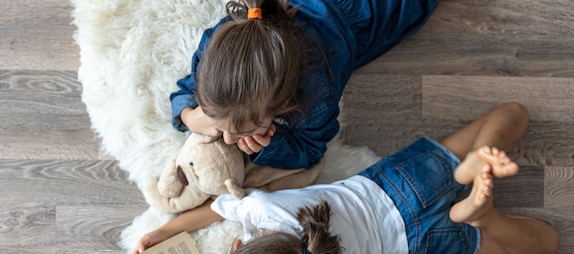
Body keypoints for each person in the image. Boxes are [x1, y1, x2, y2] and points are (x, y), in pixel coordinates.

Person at [133, 102, 560, 254]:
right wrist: (166, 229)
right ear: (238, 246)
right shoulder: (262, 208)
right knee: (511, 115)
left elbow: (549, 245)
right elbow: (213, 209)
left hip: (410, 247)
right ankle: (467, 168)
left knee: (543, 244)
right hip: (395, 187)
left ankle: (479, 217)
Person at [170, 0, 439, 169]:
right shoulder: (216, 45)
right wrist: (191, 116)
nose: (226, 138)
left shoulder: (317, 95)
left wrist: (270, 146)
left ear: (284, 104)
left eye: (245, 130)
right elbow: (185, 90)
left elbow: (311, 150)